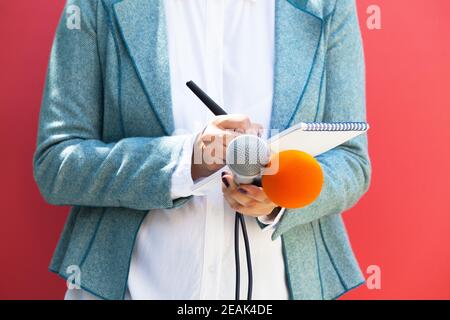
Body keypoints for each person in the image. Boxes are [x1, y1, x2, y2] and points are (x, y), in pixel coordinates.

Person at [33, 0, 371, 300]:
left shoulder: (328, 5)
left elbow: (351, 161)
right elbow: (57, 164)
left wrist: (281, 196)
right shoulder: (97, 5)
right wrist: (185, 162)